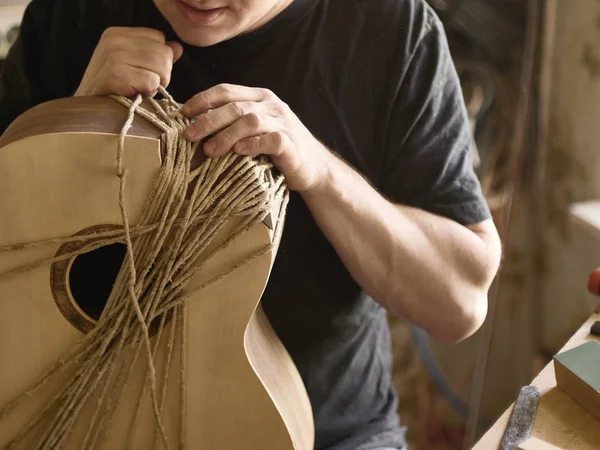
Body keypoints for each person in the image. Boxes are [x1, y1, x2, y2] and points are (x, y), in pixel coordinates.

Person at [0, 0, 502, 448]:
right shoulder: (75, 13)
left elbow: (458, 303)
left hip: (326, 433)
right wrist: (73, 122)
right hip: (81, 413)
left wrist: (321, 171)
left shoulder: (393, 31)